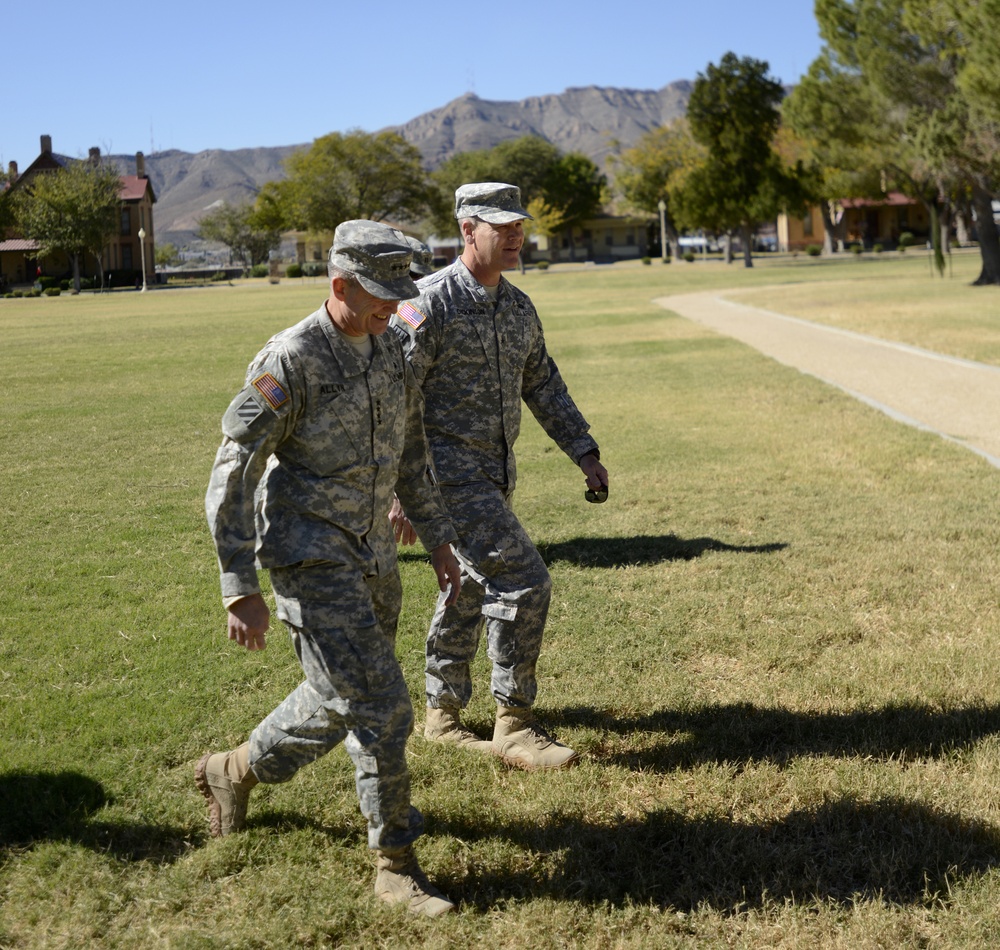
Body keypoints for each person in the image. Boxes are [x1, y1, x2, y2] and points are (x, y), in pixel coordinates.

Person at [196, 220, 461, 918]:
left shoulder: (392, 346)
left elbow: (410, 453)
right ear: (338, 284)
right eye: (376, 294)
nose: (389, 307)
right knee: (381, 707)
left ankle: (233, 771)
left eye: (396, 294)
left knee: (339, 696)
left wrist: (436, 540)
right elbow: (232, 474)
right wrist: (238, 585)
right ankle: (394, 866)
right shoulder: (291, 359)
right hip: (310, 558)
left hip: (373, 552)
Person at [389, 182, 609, 772]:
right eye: (501, 226)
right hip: (444, 479)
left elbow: (543, 384)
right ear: (467, 230)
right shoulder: (426, 303)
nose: (516, 236)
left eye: (519, 226)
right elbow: (396, 399)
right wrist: (400, 493)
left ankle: (441, 715)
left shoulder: (517, 308)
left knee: (471, 585)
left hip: (495, 475)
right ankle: (514, 724)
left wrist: (583, 451)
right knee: (525, 579)